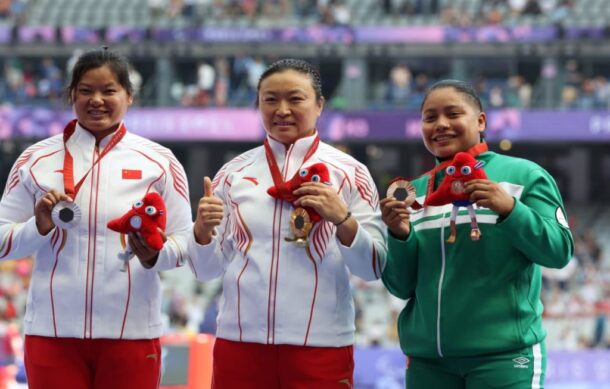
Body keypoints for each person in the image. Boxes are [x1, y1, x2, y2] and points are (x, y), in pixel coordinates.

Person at [0, 48, 192, 389]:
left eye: (109, 91)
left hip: (131, 334)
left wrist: (155, 255)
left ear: (129, 96)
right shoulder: (35, 159)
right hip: (51, 333)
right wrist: (38, 226)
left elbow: (184, 243)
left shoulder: (160, 162)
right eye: (86, 90)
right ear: (72, 95)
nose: (97, 100)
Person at [189, 58, 387, 388]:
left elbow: (372, 268)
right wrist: (202, 232)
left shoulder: (351, 173)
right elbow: (205, 271)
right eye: (270, 99)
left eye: (295, 99)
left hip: (322, 346)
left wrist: (342, 218)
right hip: (240, 346)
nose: (282, 110)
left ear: (320, 105)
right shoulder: (232, 173)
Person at [380, 79, 574, 388]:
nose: (441, 124)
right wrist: (400, 236)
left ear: (480, 121)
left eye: (453, 114)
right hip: (428, 363)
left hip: (504, 358)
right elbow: (400, 286)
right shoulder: (413, 192)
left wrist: (510, 209)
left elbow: (559, 251)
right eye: (430, 118)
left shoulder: (524, 175)